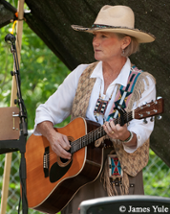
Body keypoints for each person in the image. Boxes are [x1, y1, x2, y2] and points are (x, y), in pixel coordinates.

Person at [33, 5, 156, 214]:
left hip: (120, 180)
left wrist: (125, 135)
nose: (95, 42)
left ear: (124, 42)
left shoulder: (143, 82)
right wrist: (52, 136)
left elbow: (141, 133)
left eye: (103, 36)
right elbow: (44, 111)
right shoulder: (82, 73)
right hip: (77, 179)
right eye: (94, 35)